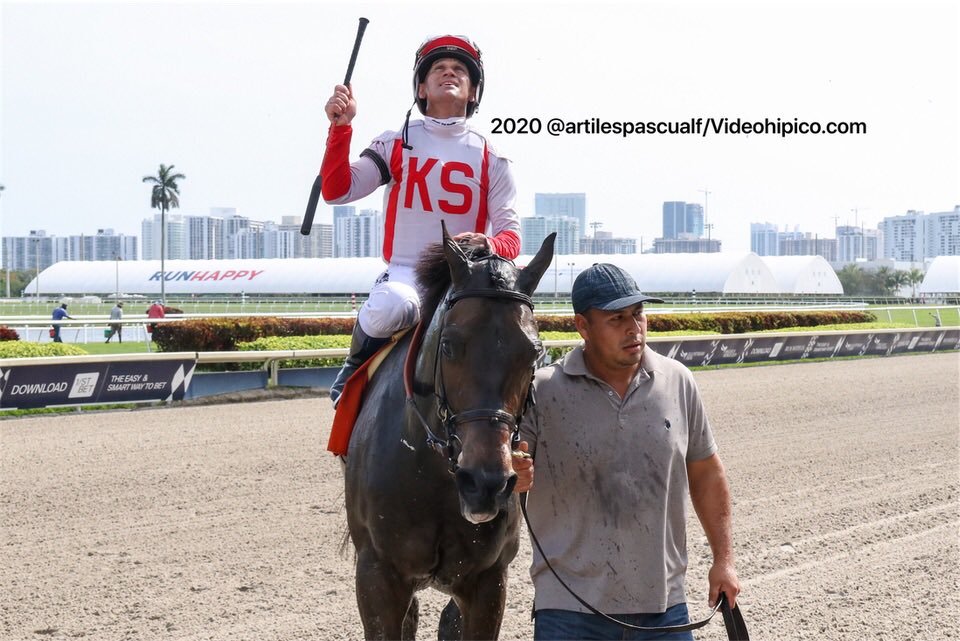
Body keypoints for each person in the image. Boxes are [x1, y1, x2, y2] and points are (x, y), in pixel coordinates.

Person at [513, 263, 740, 641]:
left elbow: (706, 473)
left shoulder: (678, 382)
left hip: (666, 609)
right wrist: (513, 473)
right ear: (582, 327)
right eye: (616, 318)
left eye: (638, 314)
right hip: (569, 612)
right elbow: (507, 468)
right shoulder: (542, 391)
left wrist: (724, 561)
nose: (633, 328)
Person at [320, 34, 522, 406]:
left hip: (465, 279)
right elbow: (337, 190)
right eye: (438, 69)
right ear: (421, 88)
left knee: (519, 331)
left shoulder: (494, 157)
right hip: (406, 274)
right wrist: (341, 128)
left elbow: (511, 238)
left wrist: (489, 244)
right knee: (390, 308)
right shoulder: (396, 142)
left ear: (474, 92)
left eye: (460, 69)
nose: (449, 72)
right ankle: (353, 367)